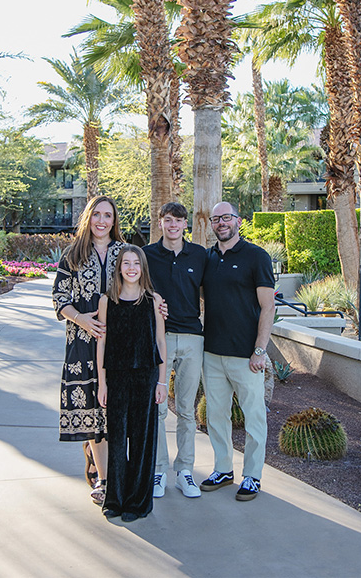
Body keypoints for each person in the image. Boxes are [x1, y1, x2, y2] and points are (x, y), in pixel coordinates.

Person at [199, 202, 276, 502]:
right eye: (216, 219)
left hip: (247, 356)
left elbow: (268, 307)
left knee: (254, 417)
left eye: (226, 217)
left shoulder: (256, 257)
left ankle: (253, 476)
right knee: (217, 417)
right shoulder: (207, 258)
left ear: (238, 221)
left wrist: (260, 350)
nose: (221, 223)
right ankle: (223, 469)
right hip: (212, 353)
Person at [52, 195, 125, 505]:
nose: (102, 221)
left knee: (117, 411)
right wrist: (81, 319)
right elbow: (59, 298)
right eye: (97, 214)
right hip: (81, 343)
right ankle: (104, 480)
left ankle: (121, 476)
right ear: (88, 218)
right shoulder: (73, 254)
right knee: (94, 413)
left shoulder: (125, 252)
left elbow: (142, 289)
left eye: (108, 215)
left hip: (120, 343)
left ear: (114, 221)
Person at [96, 246, 167, 522]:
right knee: (117, 439)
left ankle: (138, 502)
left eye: (136, 263)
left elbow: (160, 342)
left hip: (145, 376)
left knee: (141, 440)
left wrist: (162, 381)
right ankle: (115, 498)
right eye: (126, 263)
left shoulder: (153, 300)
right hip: (116, 376)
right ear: (119, 268)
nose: (131, 268)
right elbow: (101, 343)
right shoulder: (107, 301)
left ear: (143, 268)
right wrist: (102, 384)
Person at [144, 202, 206, 499]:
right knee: (156, 409)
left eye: (178, 221)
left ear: (185, 225)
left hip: (192, 337)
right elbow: (132, 286)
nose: (173, 226)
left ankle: (184, 471)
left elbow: (213, 292)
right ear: (161, 223)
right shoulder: (147, 255)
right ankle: (158, 470)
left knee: (185, 410)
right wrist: (151, 297)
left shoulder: (199, 255)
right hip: (160, 337)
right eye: (168, 220)